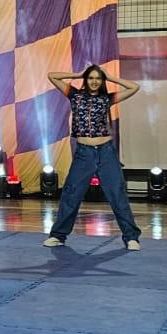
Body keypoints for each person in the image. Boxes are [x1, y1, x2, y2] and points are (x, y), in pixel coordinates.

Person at [44, 65, 142, 250]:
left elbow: (134, 87)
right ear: (86, 80)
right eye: (91, 78)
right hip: (84, 153)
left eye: (98, 78)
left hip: (106, 152)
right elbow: (52, 76)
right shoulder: (75, 95)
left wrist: (110, 77)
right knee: (71, 193)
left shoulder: (107, 98)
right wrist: (77, 74)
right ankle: (58, 235)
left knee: (117, 193)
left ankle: (131, 237)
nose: (94, 81)